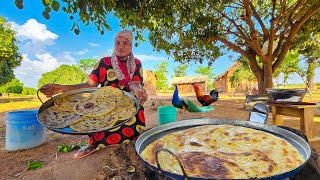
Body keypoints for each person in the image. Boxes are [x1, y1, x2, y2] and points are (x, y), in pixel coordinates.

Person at [40, 30, 148, 158]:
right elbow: (89, 85)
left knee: (135, 113)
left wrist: (138, 89)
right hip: (104, 105)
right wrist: (62, 88)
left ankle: (135, 141)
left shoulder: (137, 63)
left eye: (125, 43)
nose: (121, 46)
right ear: (114, 45)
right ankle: (94, 143)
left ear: (131, 46)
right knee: (93, 115)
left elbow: (134, 83)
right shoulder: (104, 63)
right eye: (117, 43)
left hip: (127, 104)